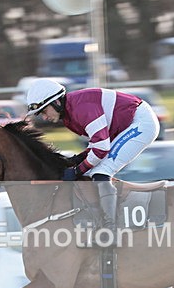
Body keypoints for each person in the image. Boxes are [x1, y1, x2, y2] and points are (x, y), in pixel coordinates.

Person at [24, 78, 160, 240]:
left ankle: (111, 227)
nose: (44, 118)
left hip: (141, 123)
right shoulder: (69, 118)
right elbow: (96, 143)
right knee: (94, 170)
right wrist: (77, 159)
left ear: (57, 102)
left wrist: (77, 170)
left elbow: (102, 148)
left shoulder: (81, 109)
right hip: (128, 124)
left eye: (44, 111)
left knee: (101, 171)